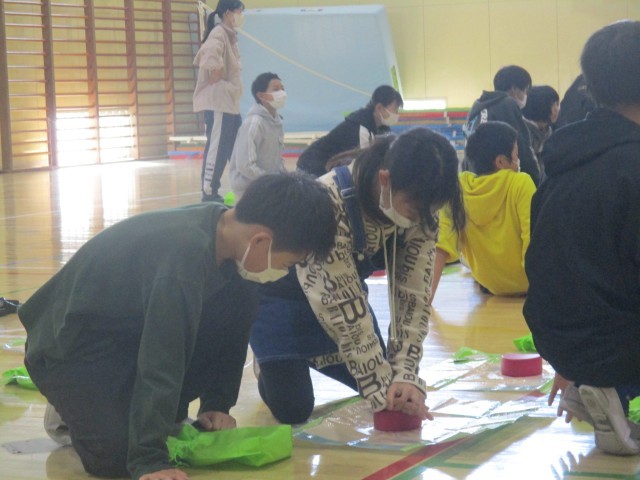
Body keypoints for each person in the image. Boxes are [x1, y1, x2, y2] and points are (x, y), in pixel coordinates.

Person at [18, 173, 338, 480]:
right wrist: (148, 459)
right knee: (117, 457)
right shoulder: (184, 257)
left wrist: (217, 405)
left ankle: (117, 408)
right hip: (69, 349)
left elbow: (232, 332)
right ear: (261, 240)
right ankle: (70, 411)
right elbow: (162, 358)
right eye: (287, 264)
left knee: (162, 420)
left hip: (127, 337)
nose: (283, 272)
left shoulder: (229, 236)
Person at [250, 127, 466, 425]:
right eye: (414, 210)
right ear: (385, 179)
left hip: (346, 294)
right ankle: (267, 362)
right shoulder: (329, 202)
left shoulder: (422, 208)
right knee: (294, 409)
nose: (421, 219)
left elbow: (413, 296)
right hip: (282, 299)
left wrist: (406, 375)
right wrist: (382, 387)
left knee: (387, 385)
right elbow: (340, 304)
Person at [523, 20, 640, 456]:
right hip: (611, 344)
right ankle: (614, 384)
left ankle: (596, 385)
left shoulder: (563, 160)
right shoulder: (632, 164)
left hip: (558, 339)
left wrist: (575, 359)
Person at [430, 121, 535, 302]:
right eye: (516, 155)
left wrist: (426, 299)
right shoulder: (521, 183)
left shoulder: (459, 189)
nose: (518, 161)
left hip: (492, 285)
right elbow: (532, 241)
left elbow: (442, 246)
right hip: (529, 283)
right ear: (501, 162)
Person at [193, 0, 245, 202]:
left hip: (230, 103)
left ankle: (244, 188)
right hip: (218, 103)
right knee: (218, 147)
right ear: (228, 13)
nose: (241, 16)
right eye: (239, 11)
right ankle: (209, 191)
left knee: (236, 147)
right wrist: (216, 69)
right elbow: (208, 56)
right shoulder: (218, 33)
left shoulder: (230, 36)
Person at [296, 85, 403, 177]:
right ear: (379, 108)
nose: (397, 114)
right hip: (311, 167)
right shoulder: (360, 127)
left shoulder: (381, 128)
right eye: (395, 110)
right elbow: (364, 166)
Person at [464, 65, 541, 186]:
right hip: (502, 181)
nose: (526, 95)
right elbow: (522, 147)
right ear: (514, 88)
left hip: (476, 180)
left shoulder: (477, 107)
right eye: (525, 90)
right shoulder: (507, 104)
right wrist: (535, 180)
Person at [229, 72, 286, 200]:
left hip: (268, 185)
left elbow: (278, 159)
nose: (282, 93)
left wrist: (285, 179)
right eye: (276, 89)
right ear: (261, 95)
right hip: (248, 188)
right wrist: (271, 181)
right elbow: (245, 165)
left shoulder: (278, 122)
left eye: (283, 89)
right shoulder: (254, 123)